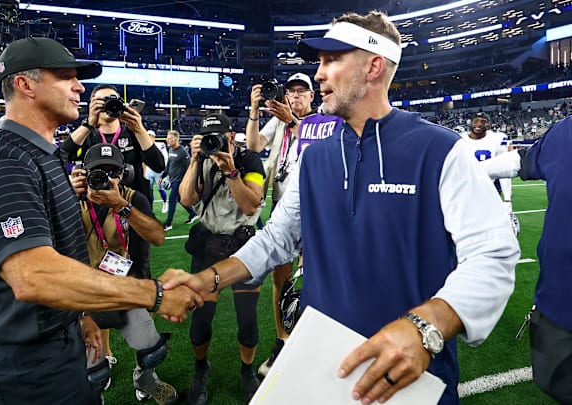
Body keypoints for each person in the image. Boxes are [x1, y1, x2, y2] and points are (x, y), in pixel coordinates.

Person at [161, 12, 518, 405]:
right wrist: (208, 279)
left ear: (373, 66)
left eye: (331, 60)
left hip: (409, 379)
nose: (318, 75)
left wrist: (426, 326)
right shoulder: (313, 160)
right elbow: (277, 239)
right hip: (321, 369)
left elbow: (493, 253)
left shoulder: (442, 151)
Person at [0, 37, 201, 405]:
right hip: (24, 361)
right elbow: (33, 275)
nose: (79, 87)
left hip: (53, 338)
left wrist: (79, 317)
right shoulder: (5, 164)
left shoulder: (40, 155)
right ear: (25, 85)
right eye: (66, 77)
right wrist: (156, 294)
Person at [71, 143, 178, 405]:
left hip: (123, 289)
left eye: (113, 172)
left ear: (124, 173)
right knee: (92, 373)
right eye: (99, 172)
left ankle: (146, 380)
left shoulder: (133, 198)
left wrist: (121, 206)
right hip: (82, 295)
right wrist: (63, 194)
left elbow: (158, 236)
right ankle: (93, 396)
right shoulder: (69, 198)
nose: (106, 179)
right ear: (84, 173)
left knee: (152, 351)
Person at [480, 115, 572, 404]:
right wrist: (469, 170)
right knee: (555, 381)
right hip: (559, 305)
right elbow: (521, 161)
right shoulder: (565, 132)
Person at [179, 113, 265, 404]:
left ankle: (247, 370)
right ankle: (201, 367)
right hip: (209, 244)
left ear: (232, 137)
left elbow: (251, 205)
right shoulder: (201, 160)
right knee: (201, 321)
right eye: (207, 139)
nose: (214, 144)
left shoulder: (249, 160)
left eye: (219, 137)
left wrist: (231, 173)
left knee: (248, 319)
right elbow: (186, 200)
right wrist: (193, 161)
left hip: (242, 246)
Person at [245, 72, 317, 376]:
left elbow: (316, 145)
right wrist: (253, 110)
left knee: (313, 281)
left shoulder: (322, 119)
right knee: (280, 280)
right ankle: (283, 338)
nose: (296, 96)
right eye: (291, 91)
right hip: (281, 209)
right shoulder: (278, 122)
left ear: (313, 96)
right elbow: (253, 146)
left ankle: (313, 342)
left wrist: (290, 121)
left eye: (302, 91)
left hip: (315, 211)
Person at [61, 85, 165, 203]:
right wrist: (89, 123)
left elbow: (158, 165)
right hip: (96, 204)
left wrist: (139, 129)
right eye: (102, 101)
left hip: (132, 204)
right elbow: (62, 157)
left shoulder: (134, 133)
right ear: (92, 104)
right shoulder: (86, 135)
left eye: (112, 99)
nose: (107, 104)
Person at [459, 111, 518, 234]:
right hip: (466, 186)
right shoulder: (460, 138)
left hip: (489, 187)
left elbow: (504, 169)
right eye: (476, 120)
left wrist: (507, 200)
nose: (479, 124)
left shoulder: (497, 138)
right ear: (470, 122)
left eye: (483, 121)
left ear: (489, 124)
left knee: (489, 226)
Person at [160, 130, 198, 231]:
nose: (168, 140)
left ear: (176, 139)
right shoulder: (171, 150)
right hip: (173, 180)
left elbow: (189, 167)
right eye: (167, 138)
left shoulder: (182, 152)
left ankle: (168, 223)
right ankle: (193, 214)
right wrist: (162, 176)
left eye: (170, 138)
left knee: (172, 200)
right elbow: (168, 165)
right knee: (181, 200)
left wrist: (187, 182)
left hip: (179, 181)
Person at [144, 129, 169, 213]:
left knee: (160, 188)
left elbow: (165, 157)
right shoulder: (144, 145)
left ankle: (165, 203)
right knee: (148, 189)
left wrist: (164, 170)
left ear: (154, 137)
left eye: (151, 136)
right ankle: (150, 206)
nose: (149, 138)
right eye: (148, 136)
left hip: (158, 171)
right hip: (149, 170)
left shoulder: (160, 145)